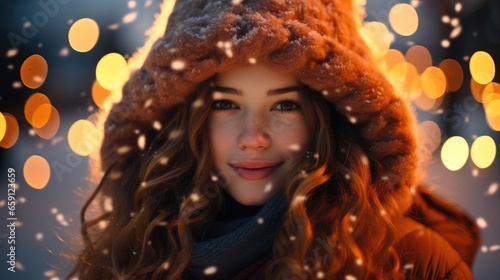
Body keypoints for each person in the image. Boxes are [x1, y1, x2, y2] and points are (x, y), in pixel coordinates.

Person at [69, 0, 481, 279]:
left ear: (328, 118)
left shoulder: (407, 262)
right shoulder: (129, 257)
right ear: (185, 120)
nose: (253, 139)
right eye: (225, 105)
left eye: (285, 106)